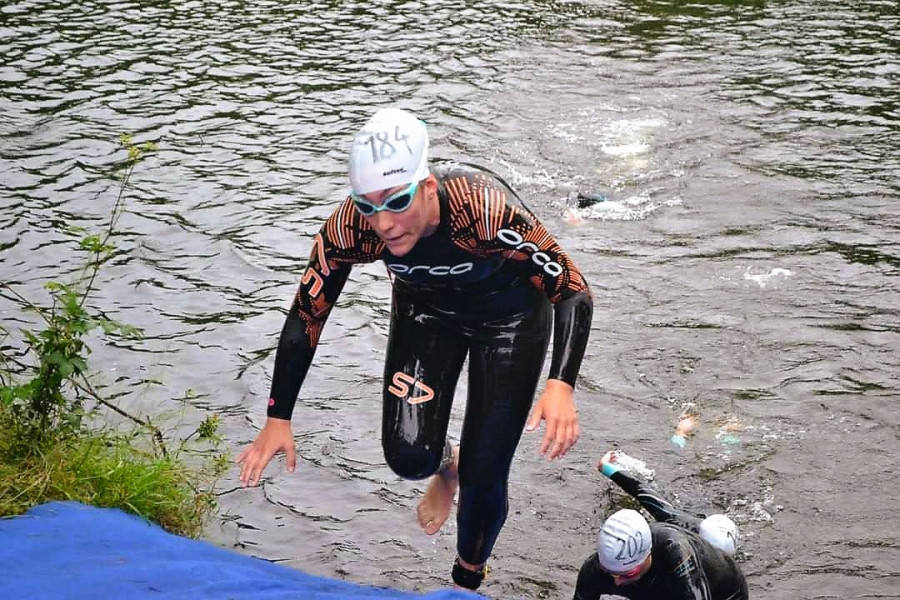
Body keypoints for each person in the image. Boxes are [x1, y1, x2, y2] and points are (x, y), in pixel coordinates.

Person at [237, 107, 594, 591]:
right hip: (427, 316)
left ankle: (465, 581)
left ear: (427, 188)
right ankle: (448, 466)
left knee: (486, 475)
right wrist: (278, 416)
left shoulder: (485, 211)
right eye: (368, 205)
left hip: (509, 320)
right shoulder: (351, 228)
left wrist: (561, 384)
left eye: (398, 201)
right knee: (408, 456)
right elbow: (307, 313)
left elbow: (570, 288)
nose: (383, 224)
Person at [572, 453, 749, 600]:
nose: (616, 582)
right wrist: (607, 467)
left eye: (627, 574)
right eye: (610, 572)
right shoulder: (594, 569)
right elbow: (644, 492)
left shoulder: (679, 555)